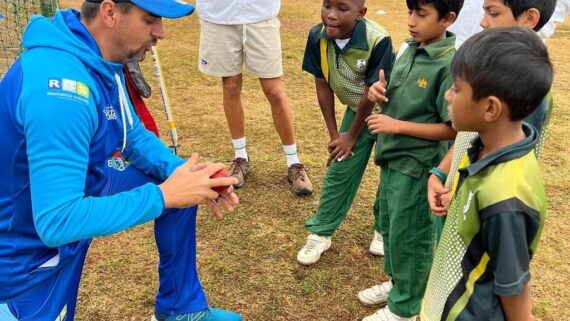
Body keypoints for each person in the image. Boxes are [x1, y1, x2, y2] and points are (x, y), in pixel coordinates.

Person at [0, 1, 243, 321]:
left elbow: (133, 136)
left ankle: (180, 309)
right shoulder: (60, 90)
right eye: (150, 20)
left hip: (80, 189)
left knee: (183, 183)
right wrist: (165, 195)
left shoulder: (99, 57)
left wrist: (185, 173)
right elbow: (58, 220)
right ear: (110, 13)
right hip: (24, 261)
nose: (161, 33)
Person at [420, 26, 552, 321]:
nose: (447, 95)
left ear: (490, 108)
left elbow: (513, 285)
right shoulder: (488, 144)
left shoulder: (505, 198)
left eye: (457, 88)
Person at [358, 0, 463, 320]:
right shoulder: (409, 47)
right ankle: (397, 284)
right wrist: (378, 91)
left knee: (411, 236)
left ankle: (405, 307)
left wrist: (397, 126)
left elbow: (453, 128)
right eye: (410, 12)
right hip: (391, 158)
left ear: (447, 18)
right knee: (390, 226)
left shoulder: (448, 65)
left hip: (416, 166)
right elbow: (395, 91)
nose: (411, 21)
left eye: (421, 14)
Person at [428, 0, 557, 224]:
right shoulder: (489, 69)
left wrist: (462, 194)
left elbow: (511, 163)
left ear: (529, 18)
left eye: (493, 13)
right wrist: (441, 172)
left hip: (477, 212)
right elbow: (471, 137)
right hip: (457, 195)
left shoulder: (527, 87)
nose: (483, 22)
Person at [295, 0, 394, 266]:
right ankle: (321, 232)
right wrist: (335, 135)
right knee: (340, 168)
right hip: (355, 111)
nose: (331, 15)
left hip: (390, 113)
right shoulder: (318, 36)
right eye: (327, 5)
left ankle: (384, 231)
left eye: (342, 9)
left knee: (391, 173)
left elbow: (370, 92)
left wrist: (351, 134)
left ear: (361, 14)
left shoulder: (378, 39)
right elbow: (322, 86)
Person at [195, 0, 314, 196]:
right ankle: (240, 157)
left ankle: (294, 162)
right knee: (231, 87)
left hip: (261, 14)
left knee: (274, 91)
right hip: (219, 15)